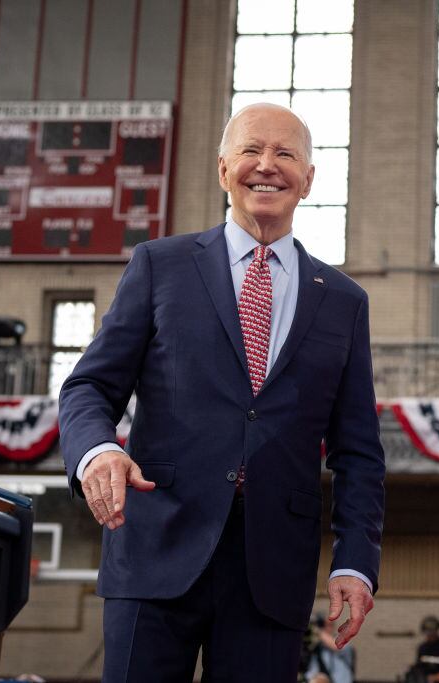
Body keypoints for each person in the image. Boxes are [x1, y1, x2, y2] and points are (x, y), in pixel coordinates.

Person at [58, 102, 385, 682]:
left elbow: (358, 452)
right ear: (222, 169)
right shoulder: (160, 265)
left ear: (308, 180)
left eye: (286, 154)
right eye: (251, 151)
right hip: (156, 550)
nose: (267, 165)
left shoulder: (343, 301)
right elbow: (89, 385)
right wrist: (97, 450)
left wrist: (356, 563)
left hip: (272, 572)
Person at [305, 612, 356, 683]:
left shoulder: (343, 640)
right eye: (322, 625)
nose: (324, 628)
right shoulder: (318, 647)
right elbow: (311, 672)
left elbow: (336, 646)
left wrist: (316, 629)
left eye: (327, 625)